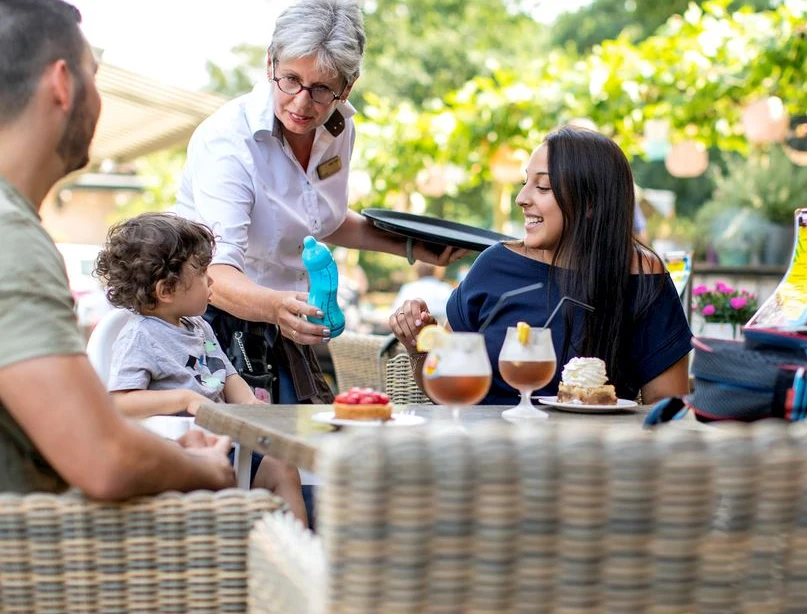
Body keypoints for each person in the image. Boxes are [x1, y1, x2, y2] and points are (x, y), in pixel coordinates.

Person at [174, 0, 464, 406]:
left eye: (322, 88)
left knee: (302, 451)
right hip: (217, 322)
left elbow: (318, 220)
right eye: (290, 79)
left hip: (284, 318)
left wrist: (412, 246)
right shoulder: (227, 141)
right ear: (270, 63)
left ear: (348, 86)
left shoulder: (340, 127)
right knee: (254, 459)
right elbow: (216, 274)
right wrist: (279, 308)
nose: (301, 103)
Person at [0, 0, 234, 497]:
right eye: (94, 76)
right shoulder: (10, 238)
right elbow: (104, 460)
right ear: (63, 84)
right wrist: (206, 471)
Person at [390, 127, 693, 405]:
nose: (522, 198)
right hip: (482, 453)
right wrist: (419, 349)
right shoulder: (495, 266)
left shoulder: (641, 277)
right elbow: (443, 390)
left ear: (590, 203)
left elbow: (667, 408)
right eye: (525, 183)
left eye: (543, 187)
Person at [95, 214, 307, 525]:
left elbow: (227, 374)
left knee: (283, 467)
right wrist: (183, 399)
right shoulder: (140, 336)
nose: (211, 281)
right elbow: (120, 402)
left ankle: (296, 562)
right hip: (183, 462)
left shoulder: (198, 327)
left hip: (227, 448)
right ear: (166, 289)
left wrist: (249, 406)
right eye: (203, 272)